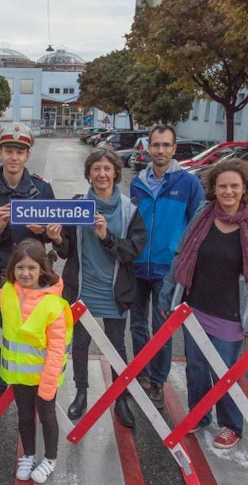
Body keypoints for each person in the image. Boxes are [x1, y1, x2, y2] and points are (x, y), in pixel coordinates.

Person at [158, 158, 248, 450]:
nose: (228, 191)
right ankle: (200, 415)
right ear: (214, 188)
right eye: (222, 186)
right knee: (196, 368)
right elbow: (180, 256)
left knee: (224, 372)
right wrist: (167, 294)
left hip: (230, 313)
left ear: (244, 189)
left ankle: (231, 425)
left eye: (234, 186)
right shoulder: (202, 217)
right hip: (195, 306)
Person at [0, 239, 70, 484]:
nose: (25, 273)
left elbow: (56, 350)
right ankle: (29, 455)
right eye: (20, 267)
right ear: (13, 269)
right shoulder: (10, 291)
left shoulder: (54, 304)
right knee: (23, 415)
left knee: (47, 417)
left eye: (32, 268)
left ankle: (50, 458)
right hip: (19, 375)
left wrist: (48, 386)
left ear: (43, 268)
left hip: (44, 377)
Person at [52, 148, 146, 428]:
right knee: (80, 344)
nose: (102, 174)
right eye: (96, 169)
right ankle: (81, 393)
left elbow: (133, 251)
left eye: (107, 168)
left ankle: (120, 398)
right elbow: (66, 249)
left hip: (115, 290)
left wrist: (106, 237)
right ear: (88, 174)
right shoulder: (78, 205)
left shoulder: (130, 209)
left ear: (116, 173)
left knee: (116, 346)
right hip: (82, 288)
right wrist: (57, 239)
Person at [0, 123, 55, 409]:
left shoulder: (42, 189)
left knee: (35, 332)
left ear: (28, 156)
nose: (14, 157)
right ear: (0, 152)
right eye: (9, 150)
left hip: (34, 279)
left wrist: (41, 230)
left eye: (20, 152)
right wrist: (1, 224)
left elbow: (55, 232)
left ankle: (34, 381)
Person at [129, 125, 204, 409]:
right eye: (155, 145)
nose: (160, 150)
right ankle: (141, 372)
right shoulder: (137, 182)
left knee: (161, 329)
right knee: (137, 326)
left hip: (168, 269)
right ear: (148, 148)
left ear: (174, 149)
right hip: (136, 266)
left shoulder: (188, 183)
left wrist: (186, 262)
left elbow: (197, 226)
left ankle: (157, 380)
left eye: (166, 145)